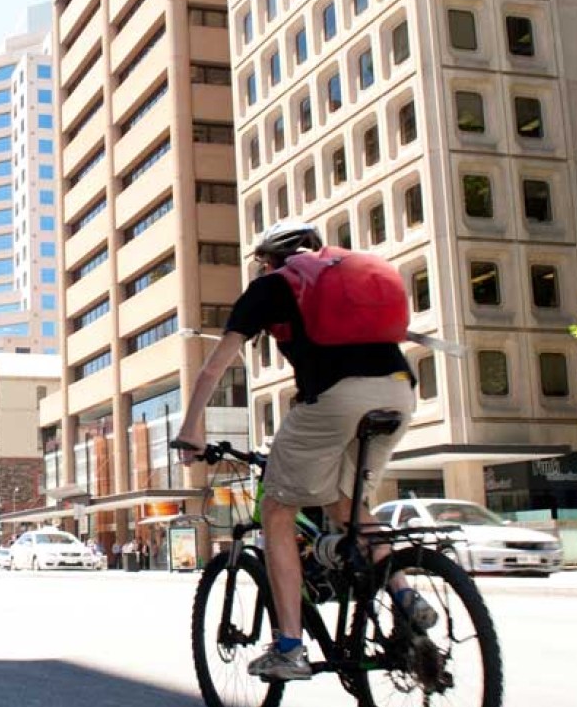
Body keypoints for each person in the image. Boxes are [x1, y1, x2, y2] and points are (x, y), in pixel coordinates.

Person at [171, 221, 434, 681]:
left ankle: (290, 646)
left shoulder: (271, 287)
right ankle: (406, 595)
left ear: (269, 259)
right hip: (398, 391)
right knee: (348, 504)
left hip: (337, 398)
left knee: (276, 509)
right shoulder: (347, 280)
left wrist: (191, 430)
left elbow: (212, 370)